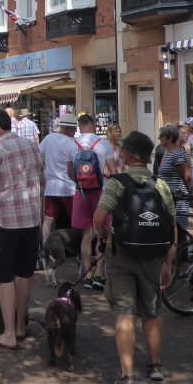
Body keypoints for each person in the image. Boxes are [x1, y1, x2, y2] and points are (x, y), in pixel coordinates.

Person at [92, 131, 176, 384]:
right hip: (153, 257)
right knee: (151, 312)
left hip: (122, 256)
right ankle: (155, 366)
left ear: (128, 155)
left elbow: (99, 216)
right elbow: (171, 227)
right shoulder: (160, 185)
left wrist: (103, 237)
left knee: (125, 313)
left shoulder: (117, 183)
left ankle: (127, 377)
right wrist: (168, 263)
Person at [0, 108, 45, 351]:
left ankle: (8, 334)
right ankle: (20, 326)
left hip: (6, 221)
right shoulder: (30, 146)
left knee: (4, 276)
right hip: (31, 219)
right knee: (24, 273)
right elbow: (41, 181)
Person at [72, 114, 115, 290]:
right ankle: (99, 273)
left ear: (80, 126)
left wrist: (79, 183)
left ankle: (87, 276)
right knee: (102, 233)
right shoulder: (104, 144)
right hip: (101, 191)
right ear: (92, 124)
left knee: (86, 235)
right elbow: (114, 171)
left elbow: (70, 171)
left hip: (80, 192)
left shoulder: (72, 144)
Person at [39, 113, 81, 243]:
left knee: (48, 218)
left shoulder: (49, 138)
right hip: (68, 188)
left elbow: (38, 156)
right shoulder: (73, 143)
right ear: (68, 128)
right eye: (74, 128)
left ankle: (45, 248)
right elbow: (75, 165)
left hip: (51, 187)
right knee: (75, 219)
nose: (75, 131)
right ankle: (77, 249)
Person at [156, 124, 193, 245]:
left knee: (179, 234)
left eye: (161, 135)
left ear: (169, 137)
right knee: (170, 232)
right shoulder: (167, 153)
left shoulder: (177, 153)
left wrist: (191, 196)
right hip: (168, 199)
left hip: (178, 198)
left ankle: (182, 262)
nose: (158, 138)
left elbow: (187, 177)